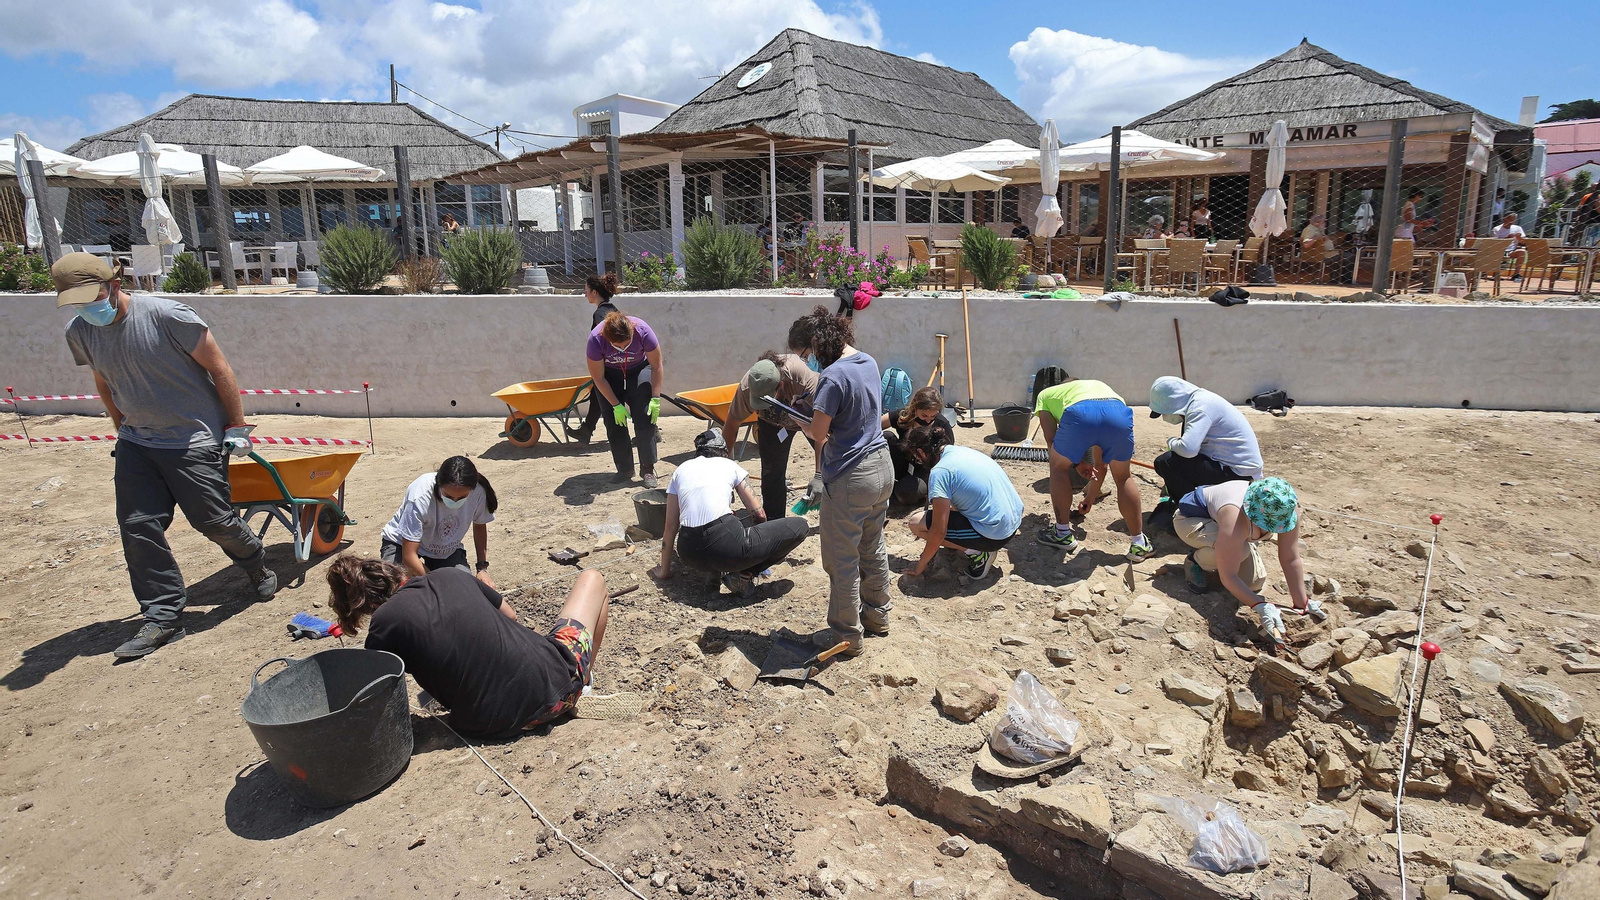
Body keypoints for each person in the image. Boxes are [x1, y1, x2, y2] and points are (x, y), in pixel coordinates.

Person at [53, 253, 278, 658]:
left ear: (115, 284)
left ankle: (255, 561)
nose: (89, 308)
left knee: (213, 521)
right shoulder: (80, 331)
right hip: (139, 443)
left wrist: (236, 426)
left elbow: (220, 368)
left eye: (94, 297)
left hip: (194, 439)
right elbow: (103, 378)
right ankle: (162, 617)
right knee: (138, 527)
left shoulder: (166, 315)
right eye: (78, 301)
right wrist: (120, 425)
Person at [328, 558, 628, 737]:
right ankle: (583, 682)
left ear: (363, 606)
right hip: (556, 687)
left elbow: (374, 692)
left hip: (489, 725)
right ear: (395, 573)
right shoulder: (450, 574)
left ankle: (570, 690)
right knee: (593, 578)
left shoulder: (383, 623)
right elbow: (510, 615)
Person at [796, 306, 893, 653]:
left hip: (852, 476)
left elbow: (818, 434)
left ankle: (845, 635)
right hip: (882, 467)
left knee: (842, 559)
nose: (813, 361)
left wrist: (799, 419)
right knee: (872, 543)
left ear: (822, 346)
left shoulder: (832, 377)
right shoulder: (868, 361)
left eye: (813, 354)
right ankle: (878, 615)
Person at [650, 430, 810, 597]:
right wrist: (762, 549)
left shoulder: (680, 470)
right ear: (724, 452)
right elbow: (759, 514)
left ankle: (714, 575)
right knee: (800, 526)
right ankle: (744, 575)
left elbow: (670, 526)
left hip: (689, 553)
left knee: (724, 531)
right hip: (725, 548)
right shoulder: (729, 465)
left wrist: (664, 571)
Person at [1172, 477, 1324, 648]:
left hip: (1233, 532)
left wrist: (1302, 603)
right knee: (1240, 553)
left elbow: (1290, 558)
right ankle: (1196, 561)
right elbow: (1228, 576)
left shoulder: (1286, 508)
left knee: (1253, 583)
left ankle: (1231, 548)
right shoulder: (1234, 514)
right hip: (1191, 520)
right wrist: (1259, 605)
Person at [1033, 376, 1152, 561]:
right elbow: (1100, 464)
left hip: (1079, 413)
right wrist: (1089, 498)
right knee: (1123, 477)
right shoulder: (1098, 386)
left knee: (1058, 468)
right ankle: (1139, 543)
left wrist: (1074, 463)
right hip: (1117, 412)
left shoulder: (1046, 395)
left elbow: (1051, 439)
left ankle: (1062, 533)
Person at [901, 423, 1022, 581]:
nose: (918, 462)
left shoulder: (940, 472)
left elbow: (939, 531)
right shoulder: (961, 451)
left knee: (916, 523)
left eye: (916, 458)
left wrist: (920, 565)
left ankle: (978, 554)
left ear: (921, 452)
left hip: (996, 534)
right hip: (1014, 520)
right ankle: (974, 541)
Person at [1146, 376, 1262, 526]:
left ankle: (1195, 515)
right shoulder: (1199, 401)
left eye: (1164, 412)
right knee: (1161, 464)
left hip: (1238, 474)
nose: (1164, 417)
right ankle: (1195, 500)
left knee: (1167, 462)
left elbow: (1188, 450)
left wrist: (1171, 442)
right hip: (1233, 467)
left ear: (1173, 403)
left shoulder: (1200, 407)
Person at [722, 343, 820, 520]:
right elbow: (731, 426)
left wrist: (820, 474)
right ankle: (775, 524)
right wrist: (723, 475)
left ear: (781, 385)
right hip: (773, 423)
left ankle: (842, 509)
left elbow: (824, 430)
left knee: (835, 461)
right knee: (772, 473)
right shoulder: (747, 387)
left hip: (809, 418)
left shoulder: (803, 380)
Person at [379, 456, 498, 585]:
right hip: (401, 544)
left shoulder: (479, 492)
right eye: (449, 496)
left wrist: (482, 569)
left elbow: (480, 525)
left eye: (462, 497)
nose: (455, 501)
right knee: (395, 586)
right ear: (439, 485)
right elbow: (409, 557)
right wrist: (435, 584)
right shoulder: (420, 496)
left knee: (463, 586)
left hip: (445, 548)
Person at [585, 310, 664, 487]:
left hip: (638, 369)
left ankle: (648, 468)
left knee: (644, 415)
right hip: (609, 375)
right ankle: (625, 469)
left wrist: (655, 398)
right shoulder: (596, 340)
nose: (622, 348)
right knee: (614, 421)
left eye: (626, 344)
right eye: (617, 345)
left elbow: (657, 366)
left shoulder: (643, 331)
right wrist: (616, 405)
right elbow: (598, 378)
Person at [566, 273, 622, 445]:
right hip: (619, 362)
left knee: (609, 395)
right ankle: (586, 430)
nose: (585, 294)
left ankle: (587, 430)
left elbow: (603, 339)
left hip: (609, 364)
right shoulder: (613, 309)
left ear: (595, 292)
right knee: (598, 396)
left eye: (586, 291)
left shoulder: (600, 314)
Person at [881, 386, 954, 506]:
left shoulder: (942, 425)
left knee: (905, 493)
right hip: (904, 461)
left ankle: (916, 491)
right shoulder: (904, 416)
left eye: (933, 417)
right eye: (924, 416)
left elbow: (948, 459)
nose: (928, 420)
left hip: (925, 470)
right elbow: (873, 426)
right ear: (915, 409)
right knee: (886, 437)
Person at [1491, 212, 1528, 280]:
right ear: (1504, 219)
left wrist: (1518, 237)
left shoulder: (1517, 228)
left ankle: (1516, 274)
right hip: (1499, 250)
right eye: (1510, 220)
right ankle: (1495, 273)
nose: (1511, 222)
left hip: (1512, 250)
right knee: (1496, 253)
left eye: (1513, 220)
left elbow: (1523, 242)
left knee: (1522, 251)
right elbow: (1493, 243)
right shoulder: (1497, 229)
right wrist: (1507, 238)